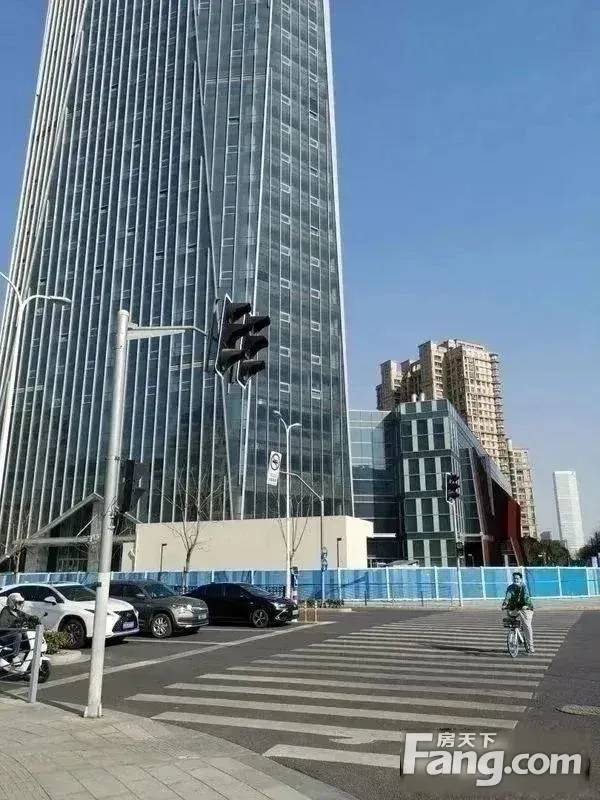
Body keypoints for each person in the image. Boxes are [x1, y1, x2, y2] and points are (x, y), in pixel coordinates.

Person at [0, 593, 41, 666]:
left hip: (12, 634)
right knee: (18, 635)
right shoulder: (5, 611)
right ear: (12, 602)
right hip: (4, 636)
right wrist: (14, 625)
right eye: (19, 603)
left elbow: (26, 616)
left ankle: (25, 654)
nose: (20, 604)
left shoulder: (17, 612)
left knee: (25, 634)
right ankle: (14, 656)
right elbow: (2, 626)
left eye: (21, 603)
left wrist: (33, 618)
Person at [502, 572, 534, 653]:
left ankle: (530, 645)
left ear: (521, 579)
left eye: (517, 578)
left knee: (527, 626)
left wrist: (525, 605)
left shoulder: (524, 587)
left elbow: (526, 597)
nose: (515, 580)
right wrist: (505, 604)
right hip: (515, 608)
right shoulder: (510, 587)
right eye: (514, 578)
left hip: (526, 608)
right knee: (510, 621)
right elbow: (508, 596)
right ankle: (517, 635)